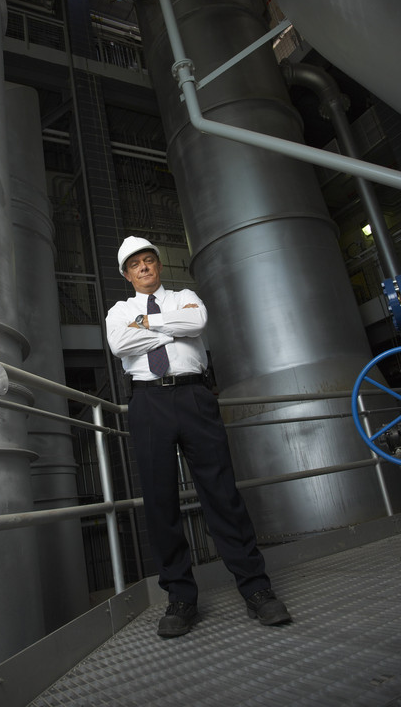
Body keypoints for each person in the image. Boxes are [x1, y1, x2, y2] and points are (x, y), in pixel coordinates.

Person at [105, 236, 291, 638]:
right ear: (127, 275)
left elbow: (197, 324)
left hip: (194, 396)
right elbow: (120, 344)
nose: (144, 267)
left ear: (158, 265)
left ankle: (256, 589)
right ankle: (180, 598)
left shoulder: (185, 297)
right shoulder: (119, 311)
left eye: (149, 260)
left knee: (221, 492)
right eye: (135, 264)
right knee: (160, 501)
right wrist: (172, 330)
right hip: (148, 401)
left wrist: (147, 325)